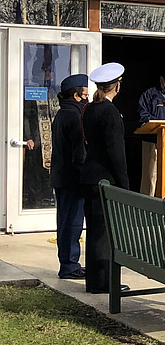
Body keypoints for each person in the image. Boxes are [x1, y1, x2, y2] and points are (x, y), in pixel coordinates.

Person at [81, 63, 129, 294]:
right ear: (117, 87)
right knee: (106, 233)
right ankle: (104, 282)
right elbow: (115, 152)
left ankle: (95, 280)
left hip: (90, 175)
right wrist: (125, 184)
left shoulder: (90, 108)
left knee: (95, 231)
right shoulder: (109, 111)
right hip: (105, 178)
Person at [50, 74, 89, 279]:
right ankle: (70, 265)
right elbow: (79, 153)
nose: (87, 98)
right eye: (85, 94)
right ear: (76, 95)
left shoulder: (63, 113)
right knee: (72, 223)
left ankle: (68, 263)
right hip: (72, 179)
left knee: (66, 222)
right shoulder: (74, 116)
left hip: (62, 177)